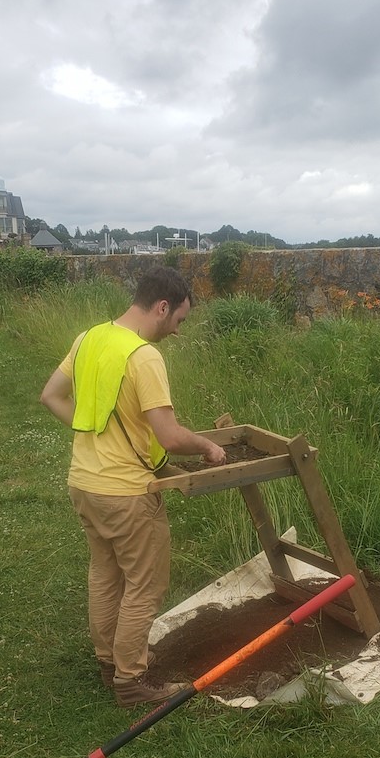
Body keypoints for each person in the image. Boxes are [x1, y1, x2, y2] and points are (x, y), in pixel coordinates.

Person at [40, 266, 227, 707]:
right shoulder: (144, 357)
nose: (178, 332)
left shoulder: (89, 338)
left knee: (105, 575)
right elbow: (170, 436)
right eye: (179, 320)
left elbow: (50, 396)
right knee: (144, 586)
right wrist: (207, 447)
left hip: (84, 483)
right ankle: (131, 681)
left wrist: (93, 429)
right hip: (127, 494)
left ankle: (110, 662)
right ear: (162, 307)